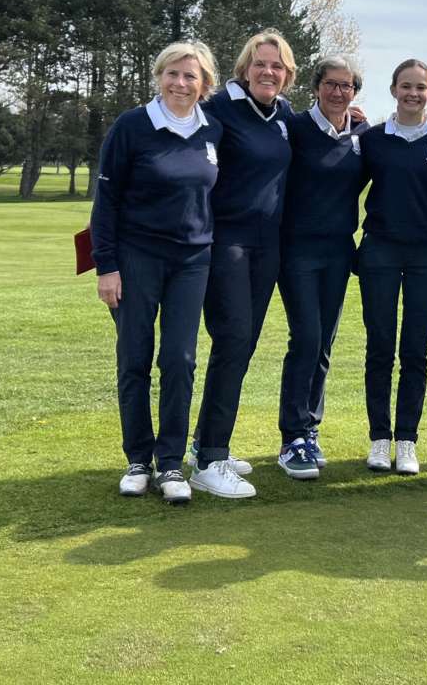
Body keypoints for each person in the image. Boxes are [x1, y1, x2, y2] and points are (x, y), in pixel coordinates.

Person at [90, 41, 225, 506]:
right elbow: (105, 202)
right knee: (134, 357)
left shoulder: (213, 132)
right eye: (172, 73)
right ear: (159, 76)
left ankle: (170, 462)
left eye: (191, 76)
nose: (180, 83)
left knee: (180, 360)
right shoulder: (132, 126)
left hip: (192, 261)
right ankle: (137, 459)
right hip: (135, 258)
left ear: (205, 83)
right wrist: (105, 266)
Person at [190, 30, 297, 500]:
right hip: (226, 243)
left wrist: (353, 118)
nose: (268, 72)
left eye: (277, 66)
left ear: (287, 74)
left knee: (243, 345)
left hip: (267, 246)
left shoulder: (284, 115)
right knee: (232, 339)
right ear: (245, 68)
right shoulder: (218, 109)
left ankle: (207, 444)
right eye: (261, 64)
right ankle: (209, 459)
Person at [356, 58, 427, 475]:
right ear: (394, 89)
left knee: (415, 350)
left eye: (421, 87)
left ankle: (407, 439)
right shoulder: (373, 139)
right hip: (380, 250)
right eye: (406, 86)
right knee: (380, 347)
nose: (413, 93)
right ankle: (380, 437)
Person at [275, 56, 369, 479]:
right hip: (296, 250)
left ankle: (309, 430)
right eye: (330, 84)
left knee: (325, 344)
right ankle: (291, 436)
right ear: (316, 87)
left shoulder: (362, 134)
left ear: (354, 91)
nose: (337, 92)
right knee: (307, 338)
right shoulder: (294, 128)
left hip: (338, 251)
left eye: (346, 86)